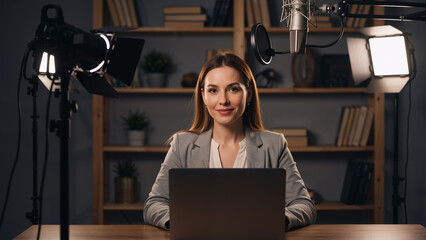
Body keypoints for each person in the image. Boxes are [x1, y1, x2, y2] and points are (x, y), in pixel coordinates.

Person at [143, 53, 316, 231]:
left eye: (233, 89)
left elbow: (303, 205)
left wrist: (277, 220)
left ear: (248, 94)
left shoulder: (274, 144)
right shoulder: (182, 144)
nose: (223, 100)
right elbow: (154, 204)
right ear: (203, 96)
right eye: (213, 90)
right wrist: (181, 223)